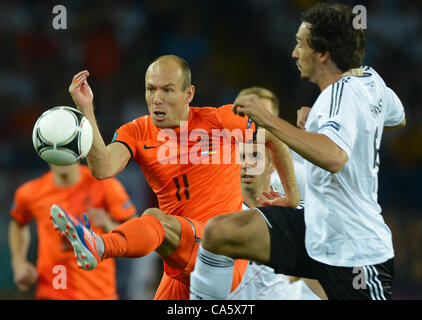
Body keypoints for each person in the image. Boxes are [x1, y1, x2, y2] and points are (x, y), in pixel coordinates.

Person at [189, 2, 406, 300]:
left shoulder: (338, 95)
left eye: (300, 44)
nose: (294, 53)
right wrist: (328, 125)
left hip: (355, 254)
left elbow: (333, 157)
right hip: (315, 229)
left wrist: (269, 120)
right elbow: (397, 116)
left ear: (323, 53)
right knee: (220, 232)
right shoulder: (369, 79)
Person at [51, 55, 300, 300]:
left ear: (188, 94)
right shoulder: (137, 131)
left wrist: (292, 196)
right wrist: (86, 108)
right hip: (178, 255)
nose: (157, 99)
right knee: (160, 223)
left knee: (154, 217)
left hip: (221, 251)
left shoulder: (220, 121)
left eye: (168, 90)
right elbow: (102, 168)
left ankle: (101, 246)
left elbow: (274, 136)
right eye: (151, 89)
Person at [226, 87, 320, 300]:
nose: (256, 123)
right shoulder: (219, 200)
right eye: (248, 116)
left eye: (263, 116)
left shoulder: (300, 173)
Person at [9, 163, 136, 300]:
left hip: (99, 292)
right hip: (52, 291)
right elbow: (18, 223)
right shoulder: (31, 192)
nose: (61, 153)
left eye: (66, 146)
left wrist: (108, 224)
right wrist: (18, 262)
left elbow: (135, 233)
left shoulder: (103, 184)